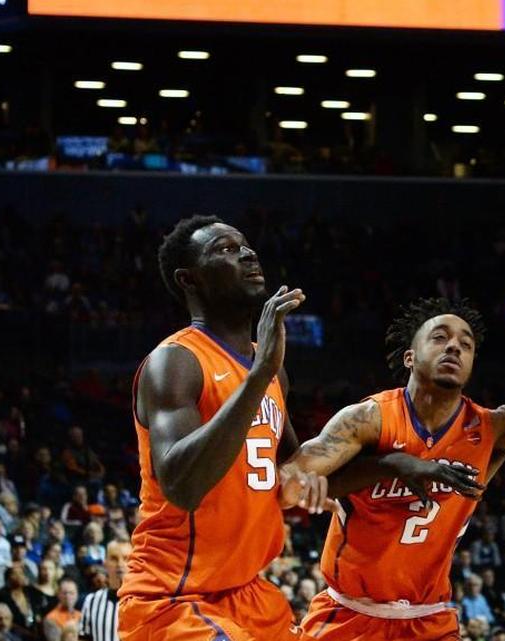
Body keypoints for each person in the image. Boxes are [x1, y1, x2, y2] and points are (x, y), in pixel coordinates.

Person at [285, 298, 505, 640]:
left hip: (428, 620)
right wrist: (379, 468)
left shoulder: (492, 428)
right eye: (439, 338)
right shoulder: (369, 419)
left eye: (466, 344)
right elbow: (291, 480)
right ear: (410, 356)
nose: (454, 348)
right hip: (349, 613)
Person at [117, 216, 339, 641]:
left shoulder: (269, 368)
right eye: (225, 249)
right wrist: (260, 374)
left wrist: (403, 464)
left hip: (248, 593)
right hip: (173, 599)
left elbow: (298, 465)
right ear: (189, 279)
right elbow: (183, 486)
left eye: (246, 245)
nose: (248, 254)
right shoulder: (176, 361)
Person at [79, 539, 130, 641]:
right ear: (105, 562)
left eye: (126, 558)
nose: (120, 564)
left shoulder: (144, 602)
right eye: (114, 558)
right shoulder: (91, 601)